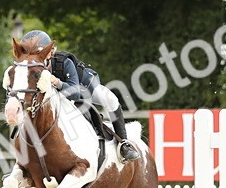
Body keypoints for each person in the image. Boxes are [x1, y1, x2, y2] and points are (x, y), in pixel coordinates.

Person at [22, 30, 141, 163]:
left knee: (111, 99)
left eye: (39, 55)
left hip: (84, 88)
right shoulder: (29, 71)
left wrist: (56, 82)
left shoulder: (64, 62)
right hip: (59, 101)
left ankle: (124, 144)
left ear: (50, 53)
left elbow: (75, 93)